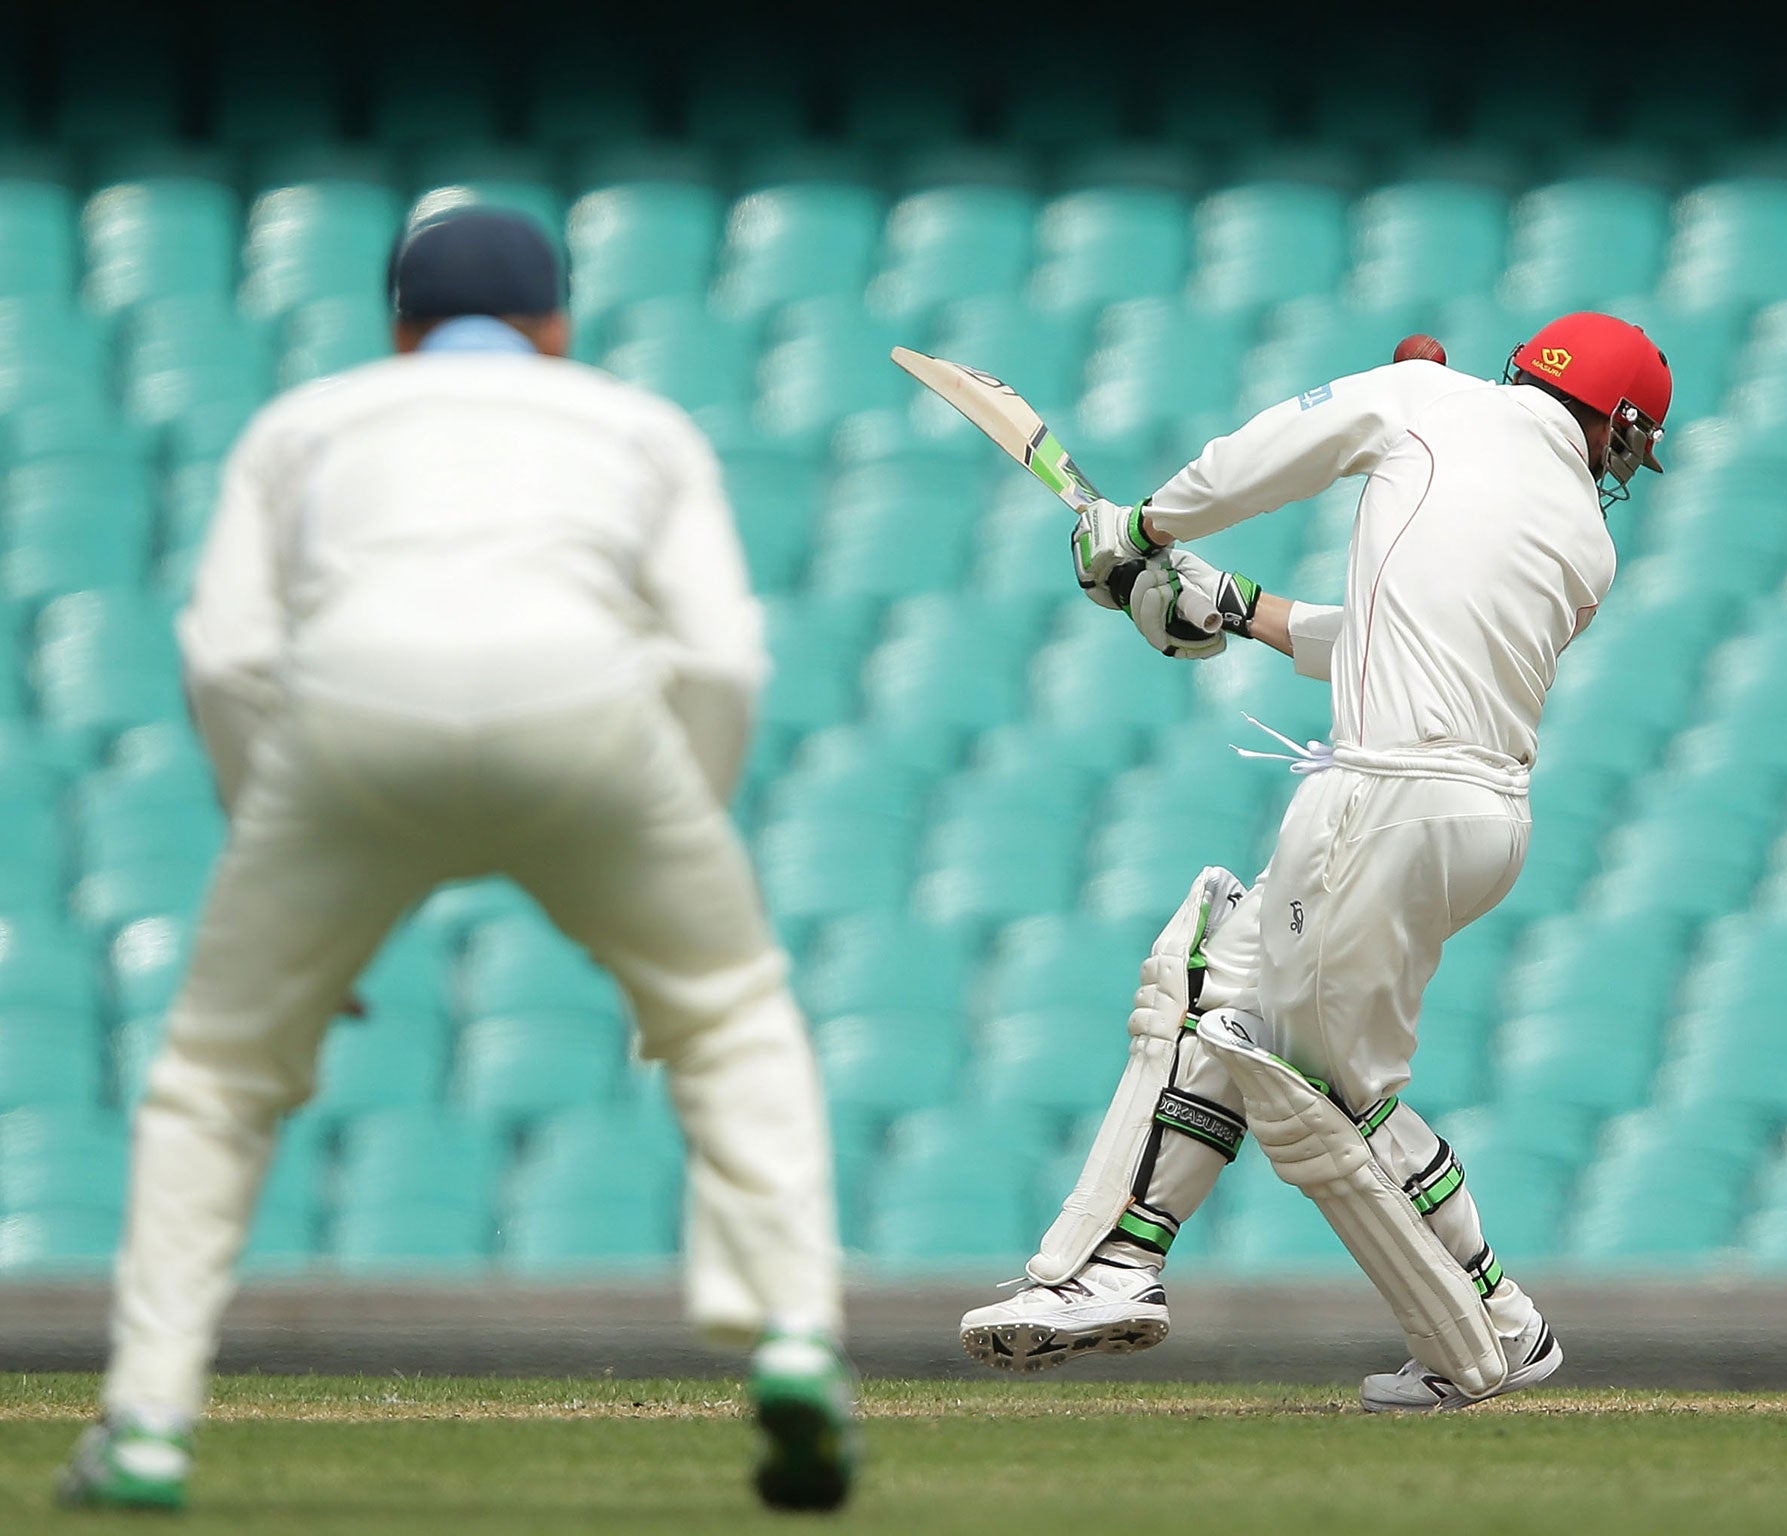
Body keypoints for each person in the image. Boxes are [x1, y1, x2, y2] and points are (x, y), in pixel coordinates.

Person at [59, 208, 857, 1510]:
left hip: (343, 716)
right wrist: (675, 844)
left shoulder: (303, 422)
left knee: (214, 1077)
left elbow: (224, 656)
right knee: (731, 1016)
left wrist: (283, 858)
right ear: (555, 328)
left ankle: (146, 1422)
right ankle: (794, 1335)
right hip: (586, 708)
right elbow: (717, 659)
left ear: (398, 327)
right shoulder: (636, 423)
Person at [960, 313, 1671, 1411]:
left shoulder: (1437, 404)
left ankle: (1479, 1331)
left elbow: (1270, 450)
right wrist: (1234, 607)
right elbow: (1395, 635)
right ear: (1611, 424)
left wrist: (1137, 526)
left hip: (1383, 795)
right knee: (1231, 998)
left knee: (1307, 1078)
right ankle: (1124, 1266)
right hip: (1475, 817)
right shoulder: (1586, 544)